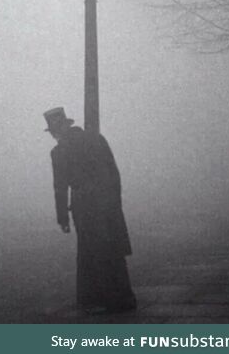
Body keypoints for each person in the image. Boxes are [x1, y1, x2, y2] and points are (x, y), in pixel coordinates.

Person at [44, 107, 136, 314]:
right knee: (113, 250)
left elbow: (60, 186)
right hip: (107, 203)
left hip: (84, 207)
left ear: (56, 131)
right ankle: (124, 297)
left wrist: (63, 218)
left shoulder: (59, 152)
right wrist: (114, 200)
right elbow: (114, 172)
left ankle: (100, 298)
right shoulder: (96, 139)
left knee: (91, 252)